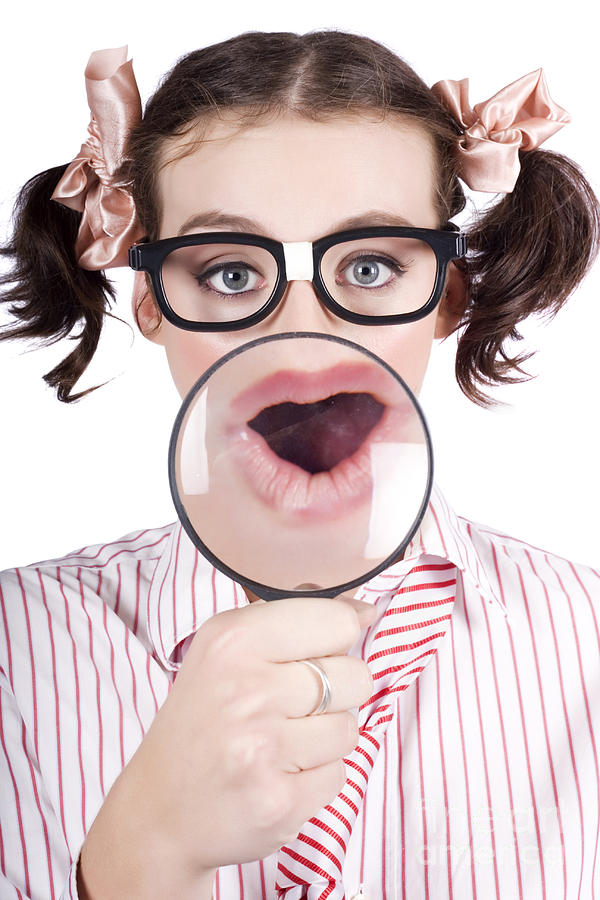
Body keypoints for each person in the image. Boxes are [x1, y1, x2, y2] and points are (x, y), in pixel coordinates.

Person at [1, 29, 599, 900]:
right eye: (232, 274)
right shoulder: (15, 654)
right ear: (153, 306)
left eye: (368, 265)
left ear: (445, 299)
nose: (302, 331)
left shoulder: (590, 647)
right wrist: (144, 851)